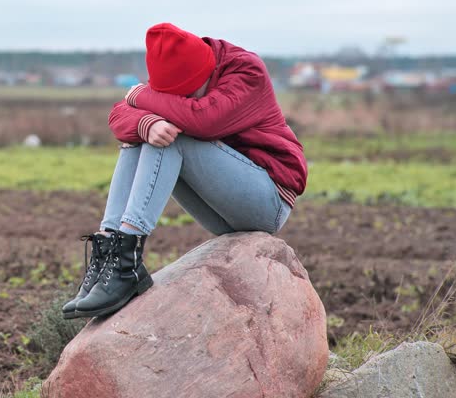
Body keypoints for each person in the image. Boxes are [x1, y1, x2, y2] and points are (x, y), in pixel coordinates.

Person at [62, 23, 307, 320]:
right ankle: (110, 249)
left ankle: (127, 258)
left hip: (268, 200)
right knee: (149, 131)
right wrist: (146, 122)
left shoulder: (246, 71)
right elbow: (119, 116)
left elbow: (205, 121)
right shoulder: (176, 68)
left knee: (171, 134)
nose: (184, 99)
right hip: (223, 209)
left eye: (187, 93)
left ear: (203, 73)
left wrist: (140, 96)